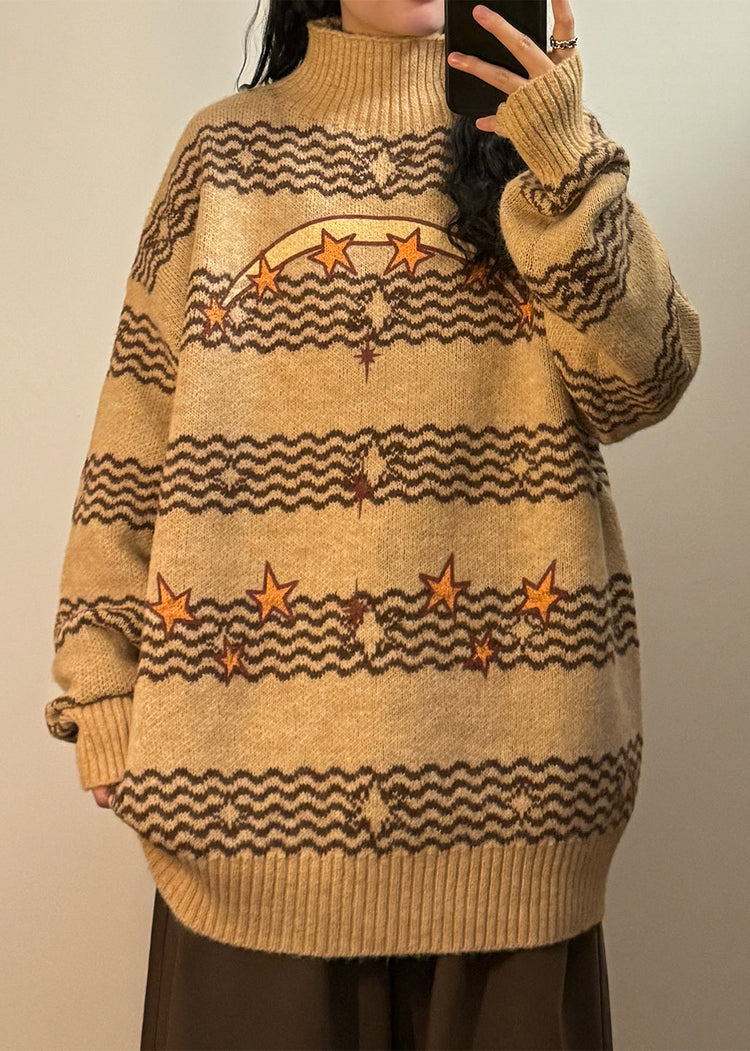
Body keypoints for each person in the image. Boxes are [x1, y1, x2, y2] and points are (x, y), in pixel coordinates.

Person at [45, 0, 702, 1047]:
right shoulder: (224, 156)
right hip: (245, 824)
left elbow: (649, 378)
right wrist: (101, 688)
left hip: (518, 818)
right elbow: (135, 432)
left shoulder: (542, 156)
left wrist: (563, 155)